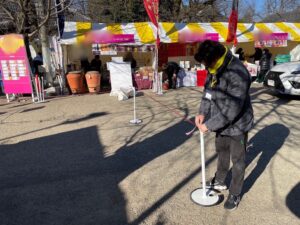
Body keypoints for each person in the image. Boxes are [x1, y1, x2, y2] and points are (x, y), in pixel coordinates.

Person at [194, 40, 254, 211]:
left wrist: (209, 125)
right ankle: (220, 180)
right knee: (222, 152)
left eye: (207, 63)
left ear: (216, 58)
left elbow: (233, 108)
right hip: (220, 124)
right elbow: (208, 93)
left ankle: (235, 192)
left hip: (238, 125)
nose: (206, 67)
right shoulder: (213, 68)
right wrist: (202, 112)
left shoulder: (238, 73)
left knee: (238, 160)